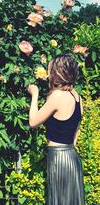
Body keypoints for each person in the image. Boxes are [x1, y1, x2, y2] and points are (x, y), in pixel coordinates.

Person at [27, 54, 85, 205]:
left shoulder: (57, 96)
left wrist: (35, 94)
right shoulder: (77, 97)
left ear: (58, 72)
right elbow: (75, 133)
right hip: (72, 156)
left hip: (59, 158)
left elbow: (33, 122)